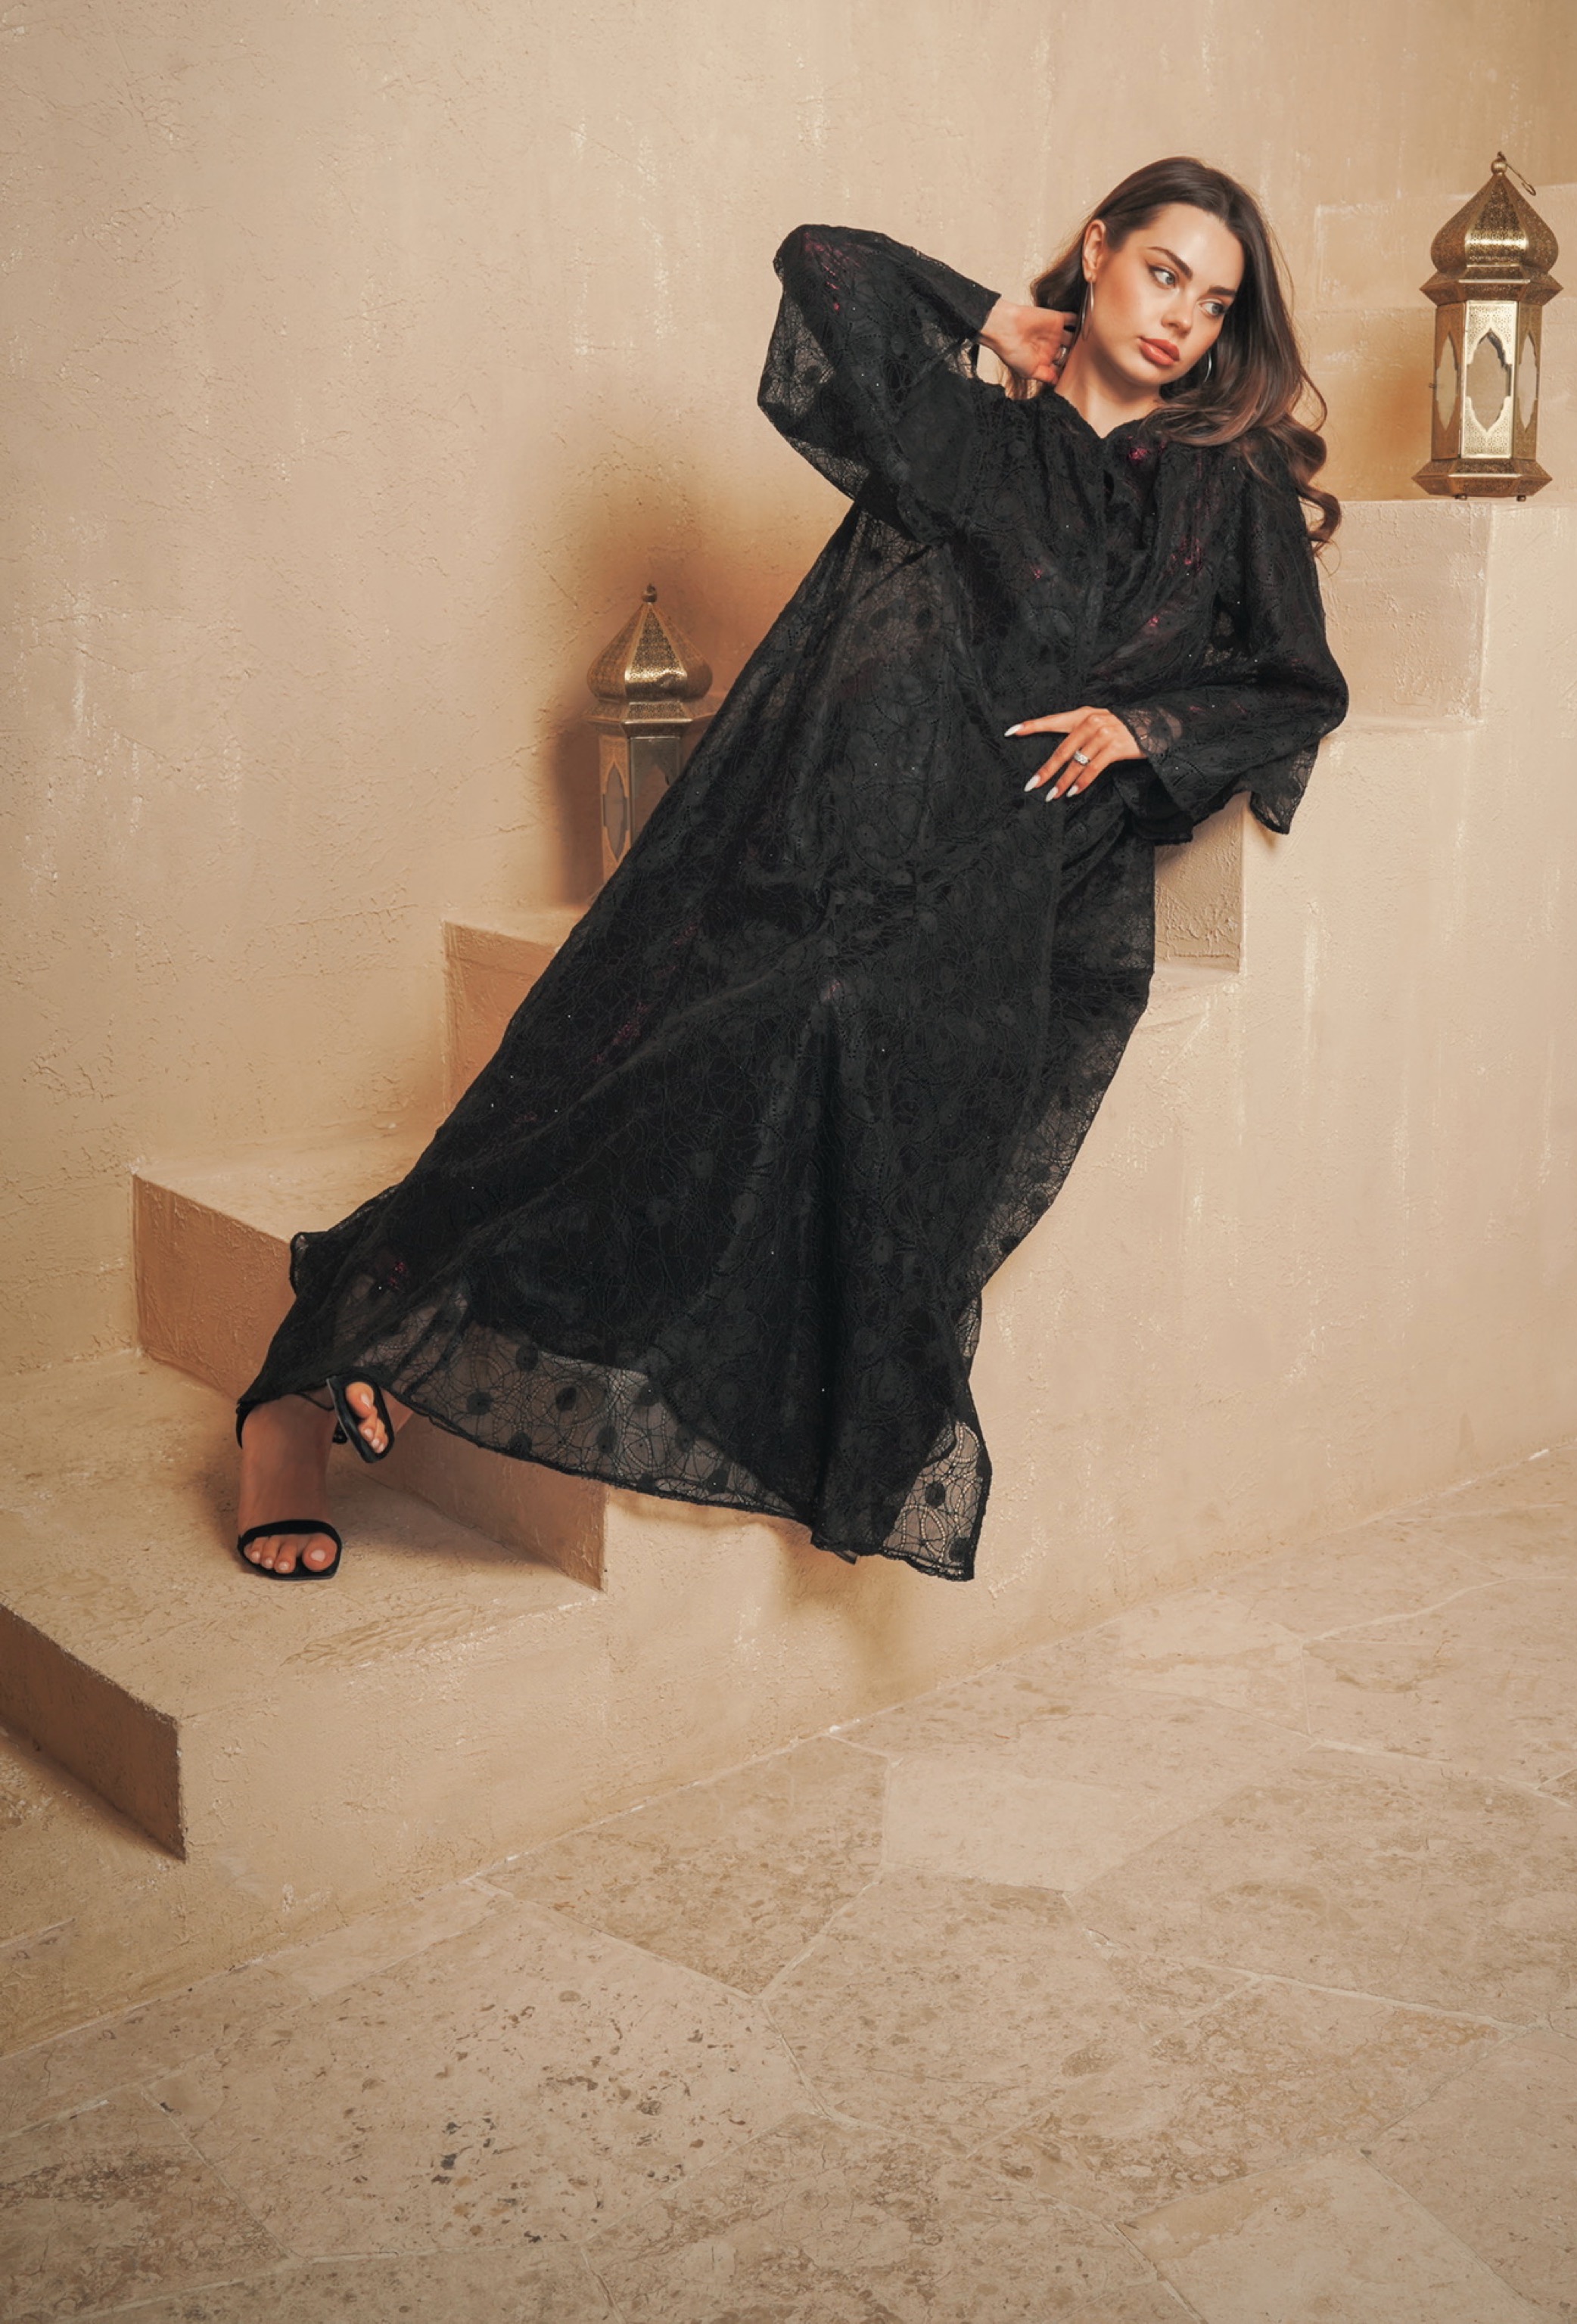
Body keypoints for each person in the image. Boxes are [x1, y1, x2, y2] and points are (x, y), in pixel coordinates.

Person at [235, 156, 1348, 1584]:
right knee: (674, 1048)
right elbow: (822, 261)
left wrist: (1150, 729)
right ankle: (329, 1361)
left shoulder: (1220, 490)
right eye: (1163, 271)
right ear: (1099, 251)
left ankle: (393, 1319)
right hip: (840, 832)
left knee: (827, 1041)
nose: (1183, 316)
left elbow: (1295, 683)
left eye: (1216, 301)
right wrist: (987, 315)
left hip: (1021, 879)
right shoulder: (960, 432)